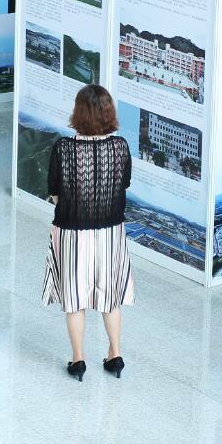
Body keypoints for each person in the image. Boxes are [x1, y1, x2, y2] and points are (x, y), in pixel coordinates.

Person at [43, 84, 135, 382]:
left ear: (78, 112)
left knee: (75, 298)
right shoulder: (120, 146)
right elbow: (124, 184)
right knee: (110, 297)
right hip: (111, 233)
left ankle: (78, 359)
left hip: (72, 233)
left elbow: (54, 192)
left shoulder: (64, 148)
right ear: (109, 112)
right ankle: (115, 355)